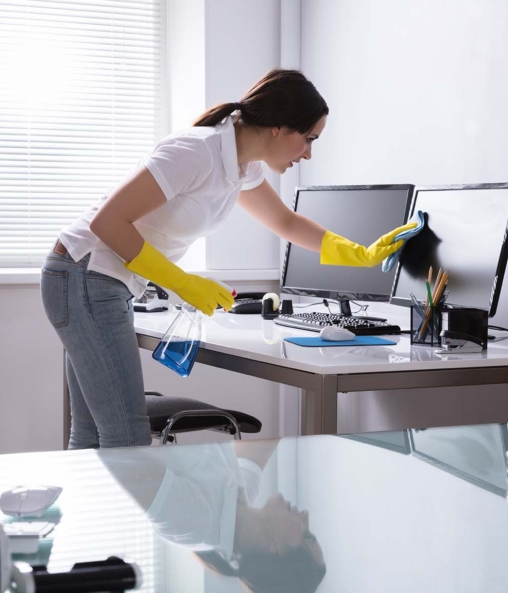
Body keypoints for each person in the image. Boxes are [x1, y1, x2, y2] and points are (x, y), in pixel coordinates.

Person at [42, 68, 416, 449]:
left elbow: (284, 221)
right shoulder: (195, 152)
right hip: (83, 274)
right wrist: (183, 283)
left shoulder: (241, 165)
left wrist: (361, 254)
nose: (308, 153)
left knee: (92, 434)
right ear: (277, 127)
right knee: (126, 436)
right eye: (307, 139)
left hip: (93, 280)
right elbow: (109, 222)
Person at [99, 440, 326, 593]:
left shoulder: (193, 522)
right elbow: (270, 430)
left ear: (276, 550)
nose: (305, 515)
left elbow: (116, 450)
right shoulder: (243, 494)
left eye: (306, 534)